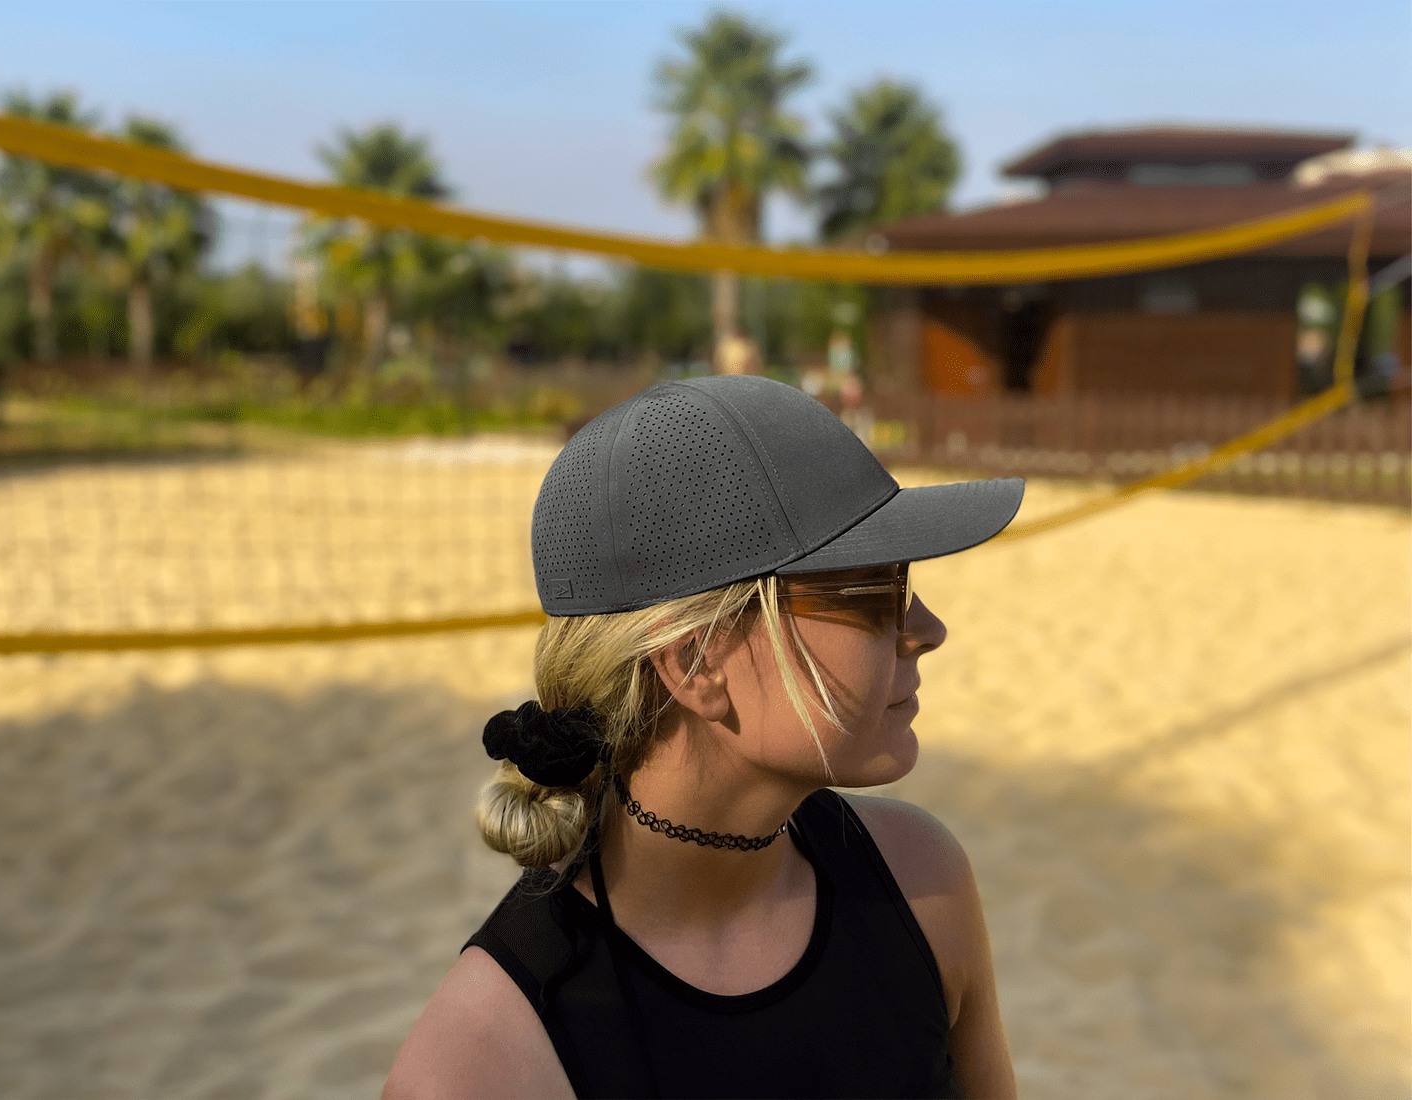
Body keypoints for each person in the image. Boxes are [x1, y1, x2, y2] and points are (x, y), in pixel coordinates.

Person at [383, 376, 1022, 1099]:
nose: (928, 630)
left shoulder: (922, 883)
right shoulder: (485, 1061)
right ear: (697, 663)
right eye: (875, 590)